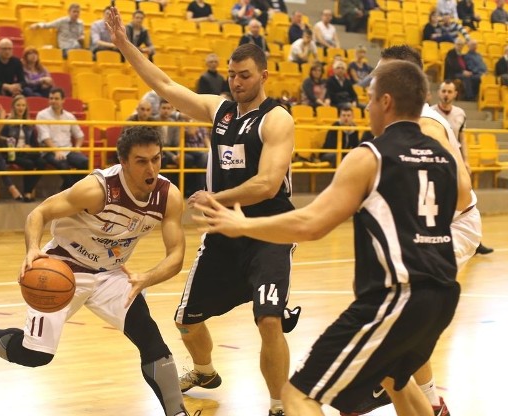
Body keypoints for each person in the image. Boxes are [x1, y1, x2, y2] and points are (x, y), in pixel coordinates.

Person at [194, 59, 463, 416]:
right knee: (395, 379)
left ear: (385, 102)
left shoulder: (371, 156)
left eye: (368, 99)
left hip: (396, 297)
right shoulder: (444, 157)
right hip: (443, 295)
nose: (365, 108)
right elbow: (461, 200)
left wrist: (241, 225)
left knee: (298, 395)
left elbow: (311, 224)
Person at [106, 9, 299, 416]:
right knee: (186, 322)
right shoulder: (220, 111)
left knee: (268, 321)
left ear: (263, 75)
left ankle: (280, 405)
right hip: (224, 235)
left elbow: (266, 183)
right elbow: (163, 84)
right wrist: (125, 45)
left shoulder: (277, 119)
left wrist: (218, 198)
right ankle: (205, 371)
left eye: (244, 74)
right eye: (231, 74)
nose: (235, 81)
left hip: (268, 231)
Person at [0, 125, 195, 416]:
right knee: (35, 355)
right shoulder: (97, 190)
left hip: (110, 273)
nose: (152, 168)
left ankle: (177, 413)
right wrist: (32, 250)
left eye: (157, 159)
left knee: (150, 337)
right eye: (142, 161)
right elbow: (40, 213)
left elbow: (176, 256)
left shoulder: (167, 196)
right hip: (64, 266)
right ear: (123, 162)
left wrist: (147, 277)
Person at [335, 44, 485, 416]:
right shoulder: (398, 120)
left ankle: (386, 382)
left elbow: (461, 191)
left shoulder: (427, 126)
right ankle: (430, 401)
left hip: (455, 227)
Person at [430, 80, 494, 256]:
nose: (446, 94)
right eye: (443, 91)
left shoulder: (460, 113)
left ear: (455, 94)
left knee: (466, 200)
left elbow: (462, 138)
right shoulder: (431, 113)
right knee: (440, 202)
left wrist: (466, 160)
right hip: (437, 162)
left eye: (450, 92)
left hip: (456, 162)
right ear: (438, 93)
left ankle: (476, 242)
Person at [36, 87, 88, 191]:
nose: (53, 101)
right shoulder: (42, 115)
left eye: (56, 98)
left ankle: (65, 189)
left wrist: (77, 147)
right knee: (63, 165)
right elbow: (45, 137)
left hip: (68, 150)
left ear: (63, 100)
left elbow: (79, 135)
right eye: (51, 98)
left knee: (85, 162)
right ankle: (72, 192)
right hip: (49, 151)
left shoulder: (69, 116)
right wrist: (56, 151)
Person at [0, 94, 46, 202]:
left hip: (27, 152)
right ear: (13, 107)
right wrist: (14, 146)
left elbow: (35, 145)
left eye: (23, 105)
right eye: (18, 105)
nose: (21, 108)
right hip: (12, 153)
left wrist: (29, 146)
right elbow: (1, 140)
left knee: (42, 162)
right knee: (29, 164)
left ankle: (28, 191)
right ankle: (27, 193)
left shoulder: (29, 124)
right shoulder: (8, 123)